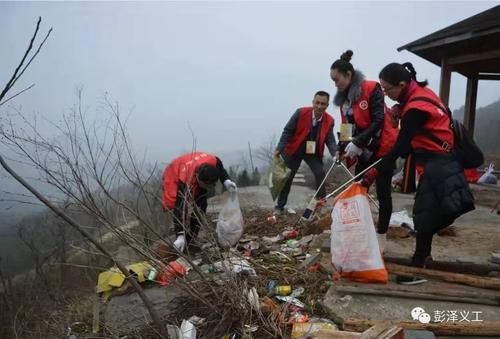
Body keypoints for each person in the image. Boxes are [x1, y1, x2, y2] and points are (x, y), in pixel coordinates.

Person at [362, 62, 475, 284]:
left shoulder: (415, 109)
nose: (386, 95)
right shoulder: (421, 94)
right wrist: (398, 110)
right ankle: (424, 257)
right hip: (439, 161)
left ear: (402, 84)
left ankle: (418, 266)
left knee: (424, 214)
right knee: (428, 212)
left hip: (439, 163)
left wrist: (374, 171)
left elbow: (401, 148)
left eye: (388, 90)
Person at [330, 50, 399, 252]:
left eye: (337, 79)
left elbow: (378, 120)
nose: (336, 84)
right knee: (360, 190)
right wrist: (341, 149)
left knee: (384, 192)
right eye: (333, 81)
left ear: (348, 75)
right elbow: (346, 128)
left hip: (383, 146)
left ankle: (381, 236)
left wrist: (358, 141)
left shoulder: (371, 89)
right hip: (364, 151)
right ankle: (360, 231)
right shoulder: (344, 100)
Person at [273, 91, 336, 214]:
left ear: (327, 105)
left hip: (312, 152)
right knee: (287, 177)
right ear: (313, 102)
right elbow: (287, 131)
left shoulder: (329, 120)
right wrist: (279, 149)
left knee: (320, 173)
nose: (319, 106)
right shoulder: (300, 112)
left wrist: (335, 154)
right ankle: (279, 207)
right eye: (317, 103)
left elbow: (330, 140)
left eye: (323, 104)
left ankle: (320, 204)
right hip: (295, 148)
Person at [162, 151, 237, 252]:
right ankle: (179, 239)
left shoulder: (213, 162)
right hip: (174, 172)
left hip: (194, 167)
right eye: (208, 185)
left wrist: (226, 181)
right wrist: (180, 234)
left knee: (201, 204)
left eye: (212, 185)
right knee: (174, 203)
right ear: (198, 178)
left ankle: (191, 238)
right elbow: (179, 207)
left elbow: (220, 168)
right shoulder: (184, 180)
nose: (210, 188)